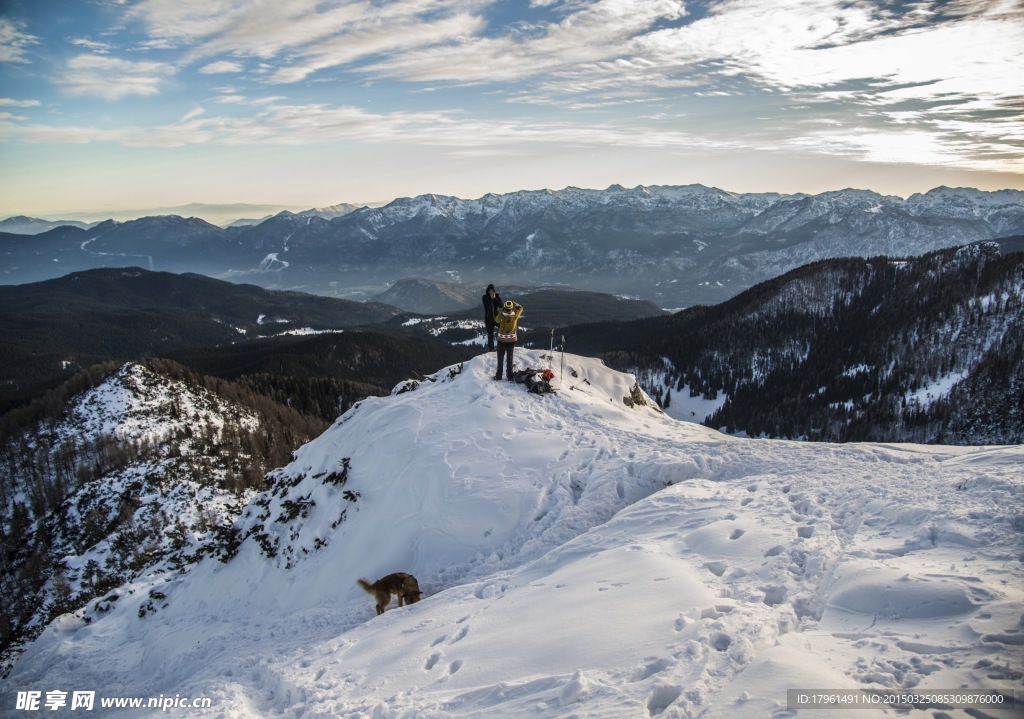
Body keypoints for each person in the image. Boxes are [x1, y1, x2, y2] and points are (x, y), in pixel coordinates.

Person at [494, 299, 524, 381]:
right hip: (512, 340)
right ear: (511, 307)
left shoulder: (501, 314)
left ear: (504, 307)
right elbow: (521, 308)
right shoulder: (515, 314)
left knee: (500, 358)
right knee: (510, 358)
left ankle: (498, 376)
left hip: (501, 340)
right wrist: (515, 303)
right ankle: (510, 377)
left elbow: (496, 320)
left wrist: (501, 311)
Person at [481, 284, 503, 352]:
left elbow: (501, 305)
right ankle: (492, 349)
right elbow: (487, 307)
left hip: (497, 318)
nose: (491, 292)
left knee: (503, 329)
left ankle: (504, 345)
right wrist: (491, 299)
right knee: (490, 334)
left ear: (494, 291)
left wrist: (494, 298)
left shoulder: (497, 296)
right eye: (489, 290)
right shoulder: (484, 297)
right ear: (487, 290)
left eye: (492, 290)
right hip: (488, 319)